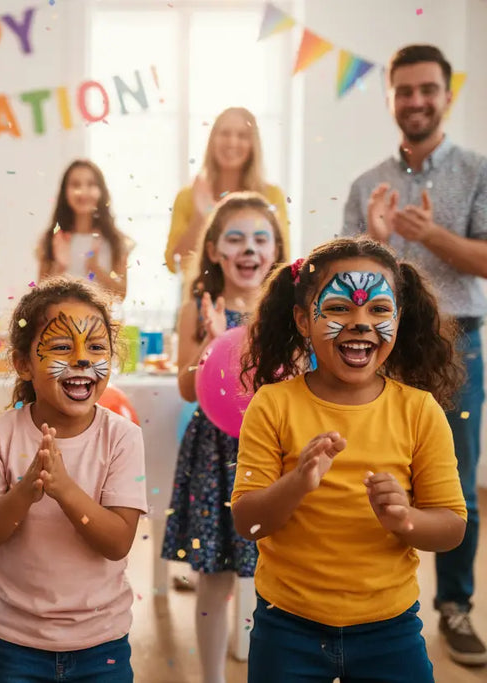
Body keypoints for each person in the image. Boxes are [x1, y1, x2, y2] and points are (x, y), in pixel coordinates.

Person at [232, 237, 467, 681]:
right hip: (287, 629)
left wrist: (406, 520)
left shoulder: (419, 410)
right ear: (304, 319)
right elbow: (248, 524)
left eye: (378, 310)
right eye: (339, 308)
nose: (360, 324)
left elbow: (452, 528)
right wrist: (297, 482)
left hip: (390, 631)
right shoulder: (272, 405)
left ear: (400, 317)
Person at [342, 43, 487, 666]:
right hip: (376, 350)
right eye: (405, 91)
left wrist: (432, 238)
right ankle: (363, 600)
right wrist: (375, 242)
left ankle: (454, 607)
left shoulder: (477, 171)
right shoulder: (364, 184)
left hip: (459, 344)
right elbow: (341, 283)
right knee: (363, 474)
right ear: (391, 97)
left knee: (455, 485)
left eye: (428, 89)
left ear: (446, 95)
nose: (417, 100)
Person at [0, 276, 147, 682]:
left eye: (97, 348)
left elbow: (117, 543)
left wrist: (63, 490)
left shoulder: (122, 437)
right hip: (16, 645)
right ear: (23, 363)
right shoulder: (0, 434)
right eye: (63, 347)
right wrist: (24, 494)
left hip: (103, 645)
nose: (83, 360)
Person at [160, 192, 286, 683]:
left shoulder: (287, 313)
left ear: (275, 250)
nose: (248, 248)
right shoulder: (198, 307)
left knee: (271, 573)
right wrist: (214, 343)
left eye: (260, 238)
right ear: (214, 250)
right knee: (212, 574)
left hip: (273, 451)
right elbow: (188, 385)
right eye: (235, 238)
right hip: (214, 452)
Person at [164, 107, 289, 274]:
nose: (232, 142)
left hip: (257, 297)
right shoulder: (188, 197)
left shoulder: (271, 196)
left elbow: (283, 261)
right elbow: (175, 265)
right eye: (225, 133)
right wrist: (201, 217)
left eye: (242, 135)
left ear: (253, 144)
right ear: (212, 140)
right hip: (202, 297)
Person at [36, 160, 131, 299]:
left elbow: (121, 295)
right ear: (65, 192)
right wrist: (60, 267)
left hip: (103, 320)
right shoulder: (52, 239)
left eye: (91, 184)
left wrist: (95, 269)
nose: (83, 192)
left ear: (101, 190)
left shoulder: (115, 240)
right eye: (75, 185)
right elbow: (38, 297)